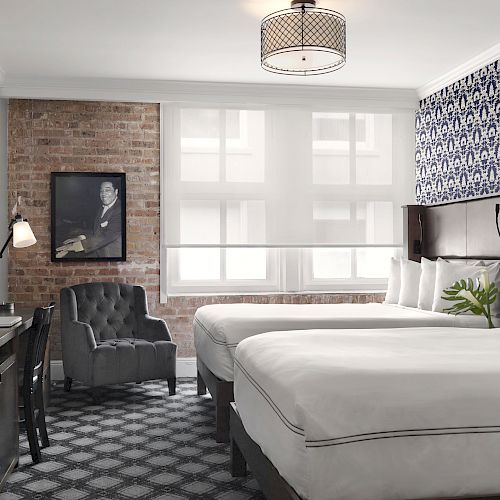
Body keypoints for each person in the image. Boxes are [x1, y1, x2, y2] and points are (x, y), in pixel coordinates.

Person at [56, 180, 122, 258]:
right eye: (101, 191)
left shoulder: (120, 210)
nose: (103, 194)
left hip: (111, 257)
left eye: (107, 190)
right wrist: (79, 238)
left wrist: (72, 247)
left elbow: (106, 236)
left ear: (116, 191)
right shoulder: (102, 208)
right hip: (98, 252)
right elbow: (97, 232)